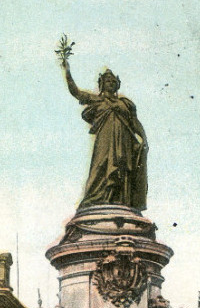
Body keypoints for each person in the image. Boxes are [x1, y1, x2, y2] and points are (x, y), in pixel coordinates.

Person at [61, 55, 148, 211]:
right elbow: (76, 92)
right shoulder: (97, 100)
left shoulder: (126, 104)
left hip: (124, 141)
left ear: (117, 85)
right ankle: (94, 200)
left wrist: (144, 138)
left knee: (122, 169)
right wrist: (67, 73)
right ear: (101, 84)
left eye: (113, 81)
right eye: (107, 81)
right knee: (100, 166)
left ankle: (119, 201)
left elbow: (135, 122)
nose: (111, 83)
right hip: (105, 140)